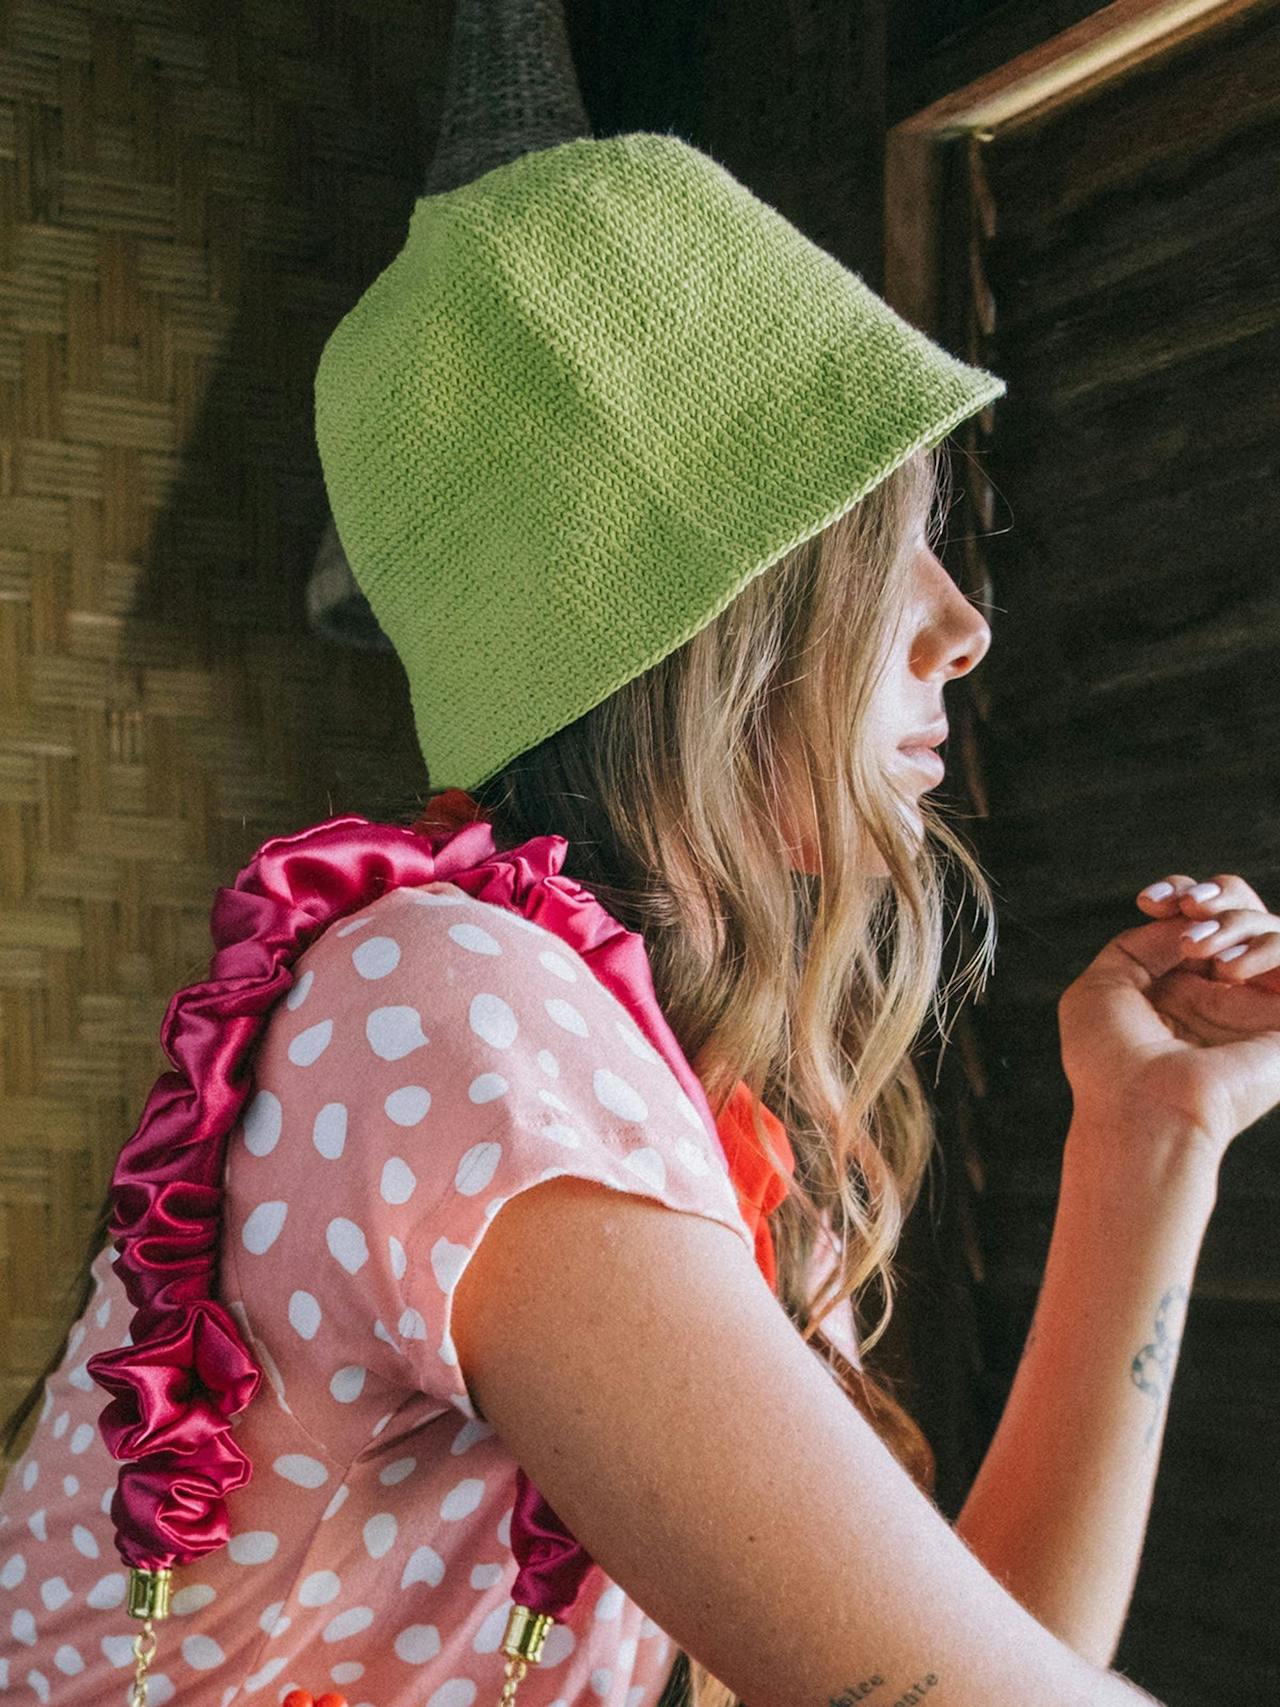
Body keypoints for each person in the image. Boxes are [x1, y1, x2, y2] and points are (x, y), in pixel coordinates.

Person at [3, 131, 1278, 1707]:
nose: (961, 626)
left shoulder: (625, 1062)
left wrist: (1153, 1138)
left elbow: (981, 1660)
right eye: (884, 541)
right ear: (692, 604)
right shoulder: (451, 1007)